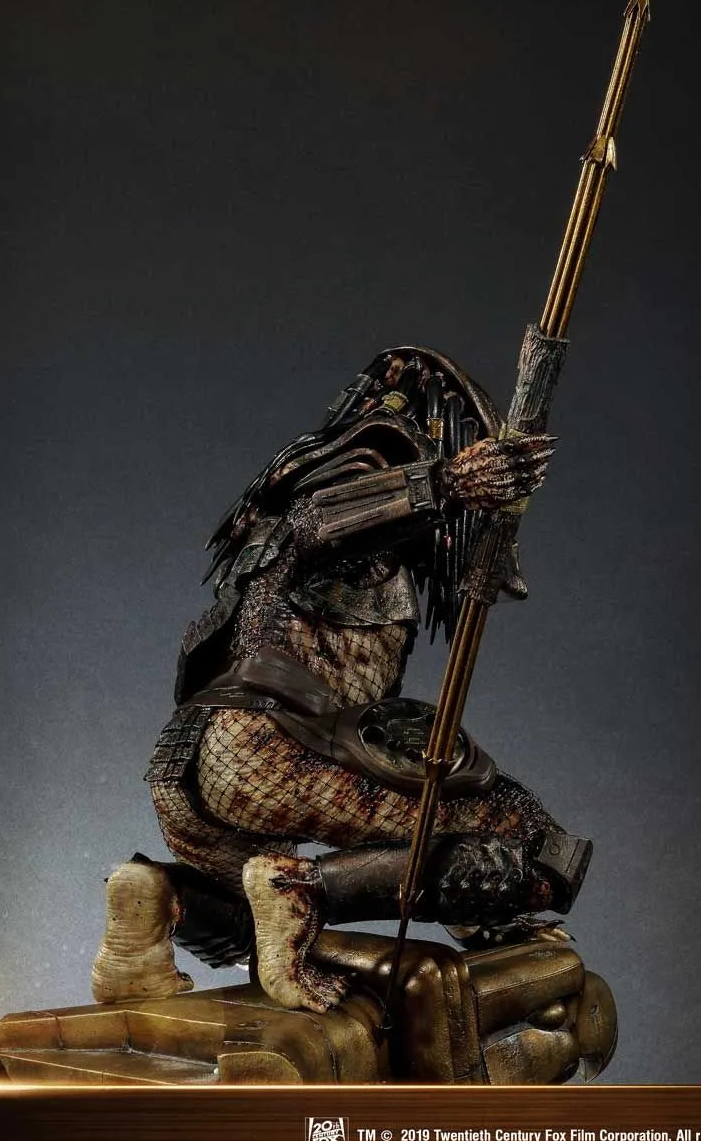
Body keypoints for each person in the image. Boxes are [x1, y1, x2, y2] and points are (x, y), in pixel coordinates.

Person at [92, 348, 591, 1012]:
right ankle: (304, 891)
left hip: (190, 764)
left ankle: (150, 902)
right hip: (269, 749)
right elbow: (317, 523)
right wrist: (445, 484)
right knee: (532, 838)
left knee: (251, 909)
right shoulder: (343, 492)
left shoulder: (298, 533)